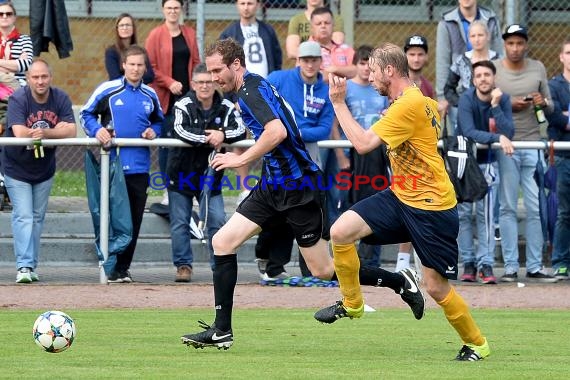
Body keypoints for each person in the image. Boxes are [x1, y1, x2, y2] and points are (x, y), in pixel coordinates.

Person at [180, 39, 424, 350]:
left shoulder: (250, 90)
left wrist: (239, 159)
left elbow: (276, 131)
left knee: (322, 270)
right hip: (273, 185)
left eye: (218, 70)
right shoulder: (252, 87)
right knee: (222, 242)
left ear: (236, 65)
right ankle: (222, 329)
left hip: (298, 188)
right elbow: (274, 131)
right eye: (211, 71)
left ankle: (399, 281)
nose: (215, 77)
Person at [316, 43, 491, 361]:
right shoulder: (418, 101)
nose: (369, 77)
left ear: (389, 71)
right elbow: (419, 124)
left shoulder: (407, 106)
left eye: (372, 72)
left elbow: (363, 144)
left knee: (435, 287)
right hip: (402, 194)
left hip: (431, 207)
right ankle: (353, 304)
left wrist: (339, 104)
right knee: (341, 232)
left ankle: (477, 343)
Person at [81, 45, 163, 283]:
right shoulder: (108, 89)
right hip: (113, 166)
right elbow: (85, 114)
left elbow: (159, 121)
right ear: (123, 65)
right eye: (132, 64)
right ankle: (108, 265)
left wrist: (153, 131)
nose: (136, 69)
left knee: (134, 220)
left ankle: (122, 269)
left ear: (145, 68)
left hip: (140, 167)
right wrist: (97, 131)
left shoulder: (150, 94)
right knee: (113, 217)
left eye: (140, 65)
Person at [258, 40, 334, 280]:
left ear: (321, 63)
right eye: (305, 60)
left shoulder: (325, 90)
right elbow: (260, 101)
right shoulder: (279, 78)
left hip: (309, 162)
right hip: (278, 159)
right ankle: (271, 263)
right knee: (277, 213)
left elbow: (323, 129)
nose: (310, 65)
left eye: (314, 60)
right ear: (298, 61)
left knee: (311, 215)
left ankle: (311, 270)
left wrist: (293, 132)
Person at [167, 63, 246, 282]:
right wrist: (209, 138)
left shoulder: (226, 105)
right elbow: (180, 129)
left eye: (209, 82)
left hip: (212, 178)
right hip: (181, 173)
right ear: (193, 84)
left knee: (218, 220)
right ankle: (183, 266)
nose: (205, 86)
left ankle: (218, 266)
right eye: (200, 82)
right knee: (180, 223)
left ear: (215, 82)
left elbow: (240, 129)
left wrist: (222, 134)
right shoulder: (183, 104)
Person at [493, 24, 557, 283]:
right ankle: (509, 267)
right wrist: (510, 104)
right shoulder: (495, 68)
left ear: (526, 45)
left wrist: (543, 102)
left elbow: (550, 106)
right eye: (510, 43)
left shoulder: (538, 67)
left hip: (532, 143)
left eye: (520, 43)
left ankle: (534, 265)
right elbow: (488, 103)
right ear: (505, 45)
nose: (515, 48)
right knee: (507, 206)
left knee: (534, 206)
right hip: (506, 144)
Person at [2, 59, 76, 283]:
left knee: (36, 218)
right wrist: (54, 131)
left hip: (44, 169)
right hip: (16, 167)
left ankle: (31, 266)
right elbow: (19, 131)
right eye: (35, 77)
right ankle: (23, 266)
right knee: (23, 215)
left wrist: (45, 133)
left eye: (44, 76)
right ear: (29, 79)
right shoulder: (19, 98)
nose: (40, 81)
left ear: (50, 77)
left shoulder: (60, 98)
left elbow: (72, 131)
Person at [218, 0, 283, 209]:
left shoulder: (267, 30)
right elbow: (223, 68)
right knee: (239, 138)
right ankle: (245, 187)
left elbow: (276, 59)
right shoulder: (229, 32)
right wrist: (234, 99)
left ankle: (269, 182)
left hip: (262, 93)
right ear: (237, 5)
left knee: (268, 135)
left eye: (251, 3)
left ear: (258, 5)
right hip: (240, 95)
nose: (246, 7)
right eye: (242, 3)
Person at [456, 60, 515, 284]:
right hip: (465, 164)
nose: (483, 79)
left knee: (487, 216)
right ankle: (469, 262)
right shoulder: (466, 99)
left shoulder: (503, 98)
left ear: (494, 78)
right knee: (463, 215)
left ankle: (486, 263)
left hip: (488, 164)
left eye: (487, 75)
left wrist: (496, 105)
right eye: (478, 75)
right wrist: (497, 138)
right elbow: (469, 132)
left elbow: (509, 131)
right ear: (473, 80)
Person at [145, 0, 201, 204]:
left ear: (181, 10)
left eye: (176, 8)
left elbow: (196, 61)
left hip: (187, 97)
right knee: (167, 146)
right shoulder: (155, 35)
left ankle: (188, 188)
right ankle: (169, 189)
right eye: (169, 8)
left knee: (190, 143)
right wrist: (169, 83)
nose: (172, 11)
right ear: (163, 10)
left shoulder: (190, 33)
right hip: (166, 98)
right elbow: (149, 67)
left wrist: (195, 83)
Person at [342, 44, 389, 267]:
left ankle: (371, 262)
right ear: (355, 65)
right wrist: (342, 157)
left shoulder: (380, 89)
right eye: (362, 64)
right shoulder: (347, 88)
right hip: (351, 152)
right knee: (347, 205)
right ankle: (348, 261)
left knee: (375, 201)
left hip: (376, 152)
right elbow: (335, 118)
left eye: (370, 66)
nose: (366, 70)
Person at [436, 0, 501, 129]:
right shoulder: (446, 22)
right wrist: (442, 97)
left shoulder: (491, 19)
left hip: (490, 97)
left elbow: (500, 61)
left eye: (480, 35)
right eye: (473, 36)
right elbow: (442, 63)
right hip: (460, 97)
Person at [546, 39, 570, 281]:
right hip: (563, 156)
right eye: (569, 53)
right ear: (561, 57)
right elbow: (552, 116)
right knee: (564, 212)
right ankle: (561, 262)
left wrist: (565, 115)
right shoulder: (553, 86)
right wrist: (564, 117)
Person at [444, 20, 499, 111]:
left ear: (488, 36)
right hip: (468, 111)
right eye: (473, 36)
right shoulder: (461, 61)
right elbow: (449, 88)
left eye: (480, 35)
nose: (477, 40)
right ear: (468, 39)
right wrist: (461, 103)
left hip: (492, 110)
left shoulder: (498, 60)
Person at [104, 13, 154, 84]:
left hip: (138, 90)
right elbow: (114, 77)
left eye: (128, 25)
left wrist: (133, 80)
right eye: (121, 25)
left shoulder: (141, 51)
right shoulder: (111, 52)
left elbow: (150, 76)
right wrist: (135, 79)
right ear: (117, 29)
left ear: (133, 28)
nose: (125, 28)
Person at [404, 35, 434, 99]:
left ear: (426, 56)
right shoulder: (396, 82)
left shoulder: (428, 87)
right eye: (412, 54)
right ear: (404, 56)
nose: (416, 59)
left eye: (420, 54)